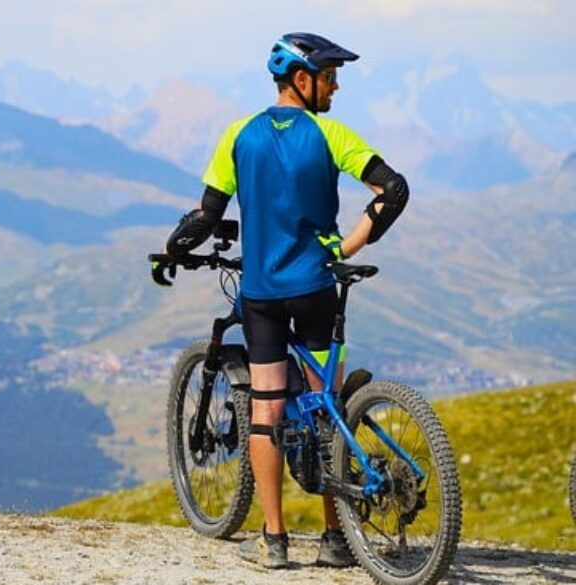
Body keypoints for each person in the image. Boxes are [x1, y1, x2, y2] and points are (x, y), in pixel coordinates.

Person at [157, 32, 409, 569]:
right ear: (301, 79)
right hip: (316, 287)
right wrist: (346, 246)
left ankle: (274, 542)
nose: (335, 87)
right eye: (329, 77)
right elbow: (394, 191)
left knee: (267, 412)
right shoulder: (330, 135)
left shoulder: (237, 135)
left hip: (263, 295)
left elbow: (206, 216)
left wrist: (172, 250)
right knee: (327, 407)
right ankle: (336, 539)